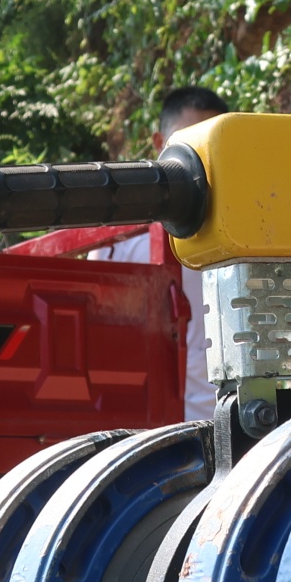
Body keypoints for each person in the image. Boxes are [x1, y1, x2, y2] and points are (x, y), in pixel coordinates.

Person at [102, 86, 230, 420]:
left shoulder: (245, 236)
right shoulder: (117, 245)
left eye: (211, 147)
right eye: (191, 144)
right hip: (142, 442)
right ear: (160, 144)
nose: (200, 160)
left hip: (233, 436)